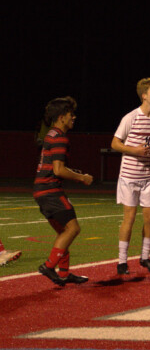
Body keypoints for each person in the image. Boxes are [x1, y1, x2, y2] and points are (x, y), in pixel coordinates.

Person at [111, 78, 150, 275]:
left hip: (148, 177)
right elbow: (115, 143)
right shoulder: (130, 117)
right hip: (129, 177)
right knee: (129, 218)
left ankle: (145, 258)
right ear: (144, 95)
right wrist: (134, 151)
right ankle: (122, 261)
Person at [33, 96, 93, 286]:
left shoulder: (51, 134)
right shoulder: (60, 137)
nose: (73, 117)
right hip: (50, 191)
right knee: (73, 229)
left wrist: (74, 172)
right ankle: (49, 266)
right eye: (70, 114)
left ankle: (65, 274)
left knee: (63, 233)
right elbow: (58, 170)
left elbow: (54, 166)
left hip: (41, 190)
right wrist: (82, 177)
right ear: (61, 117)